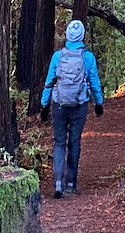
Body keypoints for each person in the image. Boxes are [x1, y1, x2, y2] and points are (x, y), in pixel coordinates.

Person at [40, 19, 104, 198]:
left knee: (59, 142)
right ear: (82, 36)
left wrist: (44, 105)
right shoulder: (88, 57)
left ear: (67, 36)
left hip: (59, 105)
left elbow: (49, 82)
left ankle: (58, 182)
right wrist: (99, 103)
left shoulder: (57, 56)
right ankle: (70, 183)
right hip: (79, 105)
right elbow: (94, 81)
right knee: (74, 142)